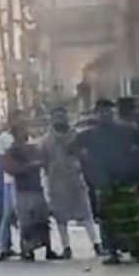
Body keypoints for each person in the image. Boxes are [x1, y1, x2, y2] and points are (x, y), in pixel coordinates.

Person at [73, 99, 139, 265]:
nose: (105, 116)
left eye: (108, 112)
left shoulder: (127, 131)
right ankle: (112, 252)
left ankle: (138, 249)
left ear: (114, 113)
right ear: (96, 114)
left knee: (132, 218)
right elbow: (71, 148)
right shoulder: (89, 134)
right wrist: (86, 161)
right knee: (108, 219)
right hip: (104, 183)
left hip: (126, 180)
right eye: (102, 112)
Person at [40, 107, 101, 259]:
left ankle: (96, 244)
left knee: (86, 214)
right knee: (61, 217)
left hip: (76, 179)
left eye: (62, 115)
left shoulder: (77, 137)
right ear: (52, 119)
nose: (60, 119)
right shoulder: (46, 141)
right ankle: (66, 247)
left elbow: (85, 156)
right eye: (56, 116)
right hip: (57, 182)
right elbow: (44, 162)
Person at [3, 123, 52, 261]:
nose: (25, 133)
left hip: (35, 188)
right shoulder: (12, 151)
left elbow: (44, 161)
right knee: (27, 221)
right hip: (24, 189)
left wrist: (34, 165)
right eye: (21, 131)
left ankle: (46, 248)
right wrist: (30, 166)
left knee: (41, 219)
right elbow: (10, 169)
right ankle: (28, 250)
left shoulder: (33, 148)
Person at [0, 111, 22, 260]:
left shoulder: (25, 137)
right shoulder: (3, 139)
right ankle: (2, 248)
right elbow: (1, 160)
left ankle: (26, 246)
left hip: (26, 181)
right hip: (10, 181)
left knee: (25, 215)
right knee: (8, 215)